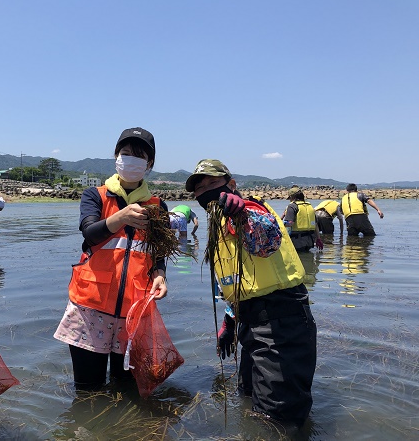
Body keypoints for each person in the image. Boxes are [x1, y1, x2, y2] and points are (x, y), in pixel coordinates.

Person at [185, 159, 316, 427]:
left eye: (213, 183)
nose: (206, 191)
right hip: (250, 322)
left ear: (231, 185)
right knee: (249, 397)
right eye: (200, 188)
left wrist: (241, 214)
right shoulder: (218, 225)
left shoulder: (249, 210)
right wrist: (230, 320)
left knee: (278, 417)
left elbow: (267, 240)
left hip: (281, 321)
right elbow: (238, 280)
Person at [54, 127, 168, 391]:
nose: (130, 159)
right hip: (90, 308)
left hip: (134, 311)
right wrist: (121, 217)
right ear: (116, 156)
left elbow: (158, 251)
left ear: (149, 164)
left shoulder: (157, 205)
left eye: (139, 156)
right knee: (87, 389)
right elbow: (90, 234)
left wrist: (160, 273)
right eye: (125, 153)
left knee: (125, 388)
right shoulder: (95, 195)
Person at [282, 186, 323, 252]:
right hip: (310, 241)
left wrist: (280, 224)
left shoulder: (292, 206)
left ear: (292, 197)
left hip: (297, 240)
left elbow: (289, 223)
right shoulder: (309, 206)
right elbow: (315, 225)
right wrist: (318, 239)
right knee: (309, 259)